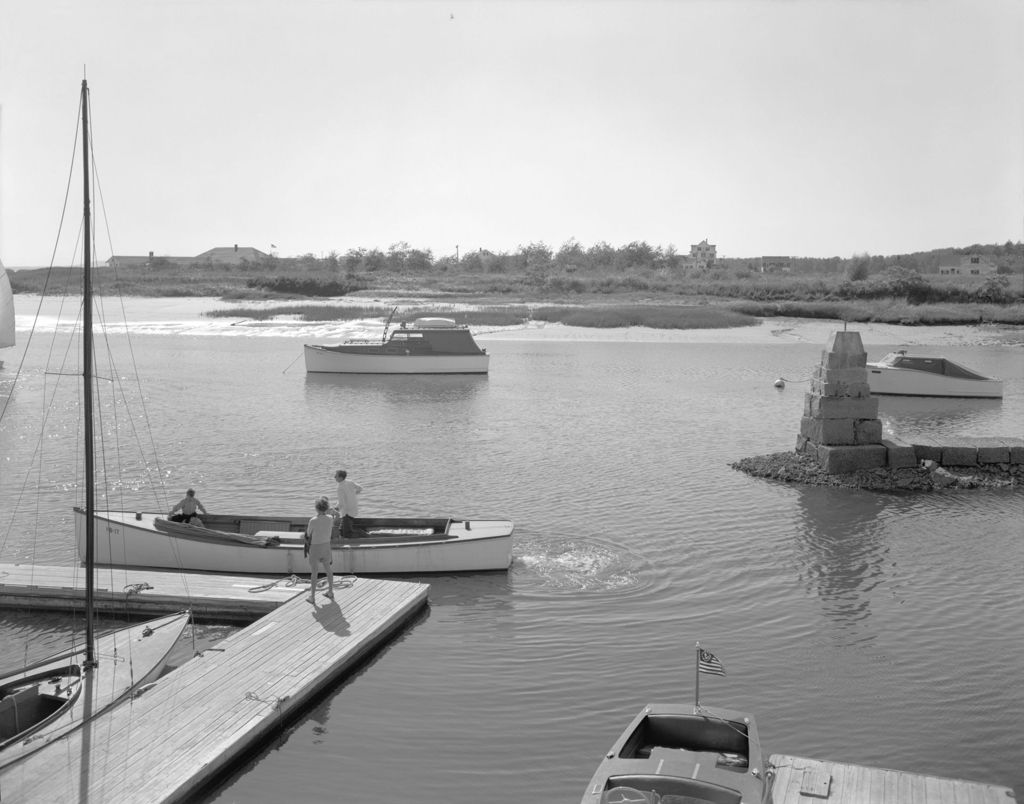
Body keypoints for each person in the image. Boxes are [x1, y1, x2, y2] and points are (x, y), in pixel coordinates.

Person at [305, 496, 335, 603]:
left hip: (315, 548)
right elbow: (332, 515)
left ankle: (312, 597)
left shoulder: (313, 520)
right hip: (326, 546)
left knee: (314, 572)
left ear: (316, 508)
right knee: (328, 569)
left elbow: (308, 534)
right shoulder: (330, 518)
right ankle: (330, 592)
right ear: (326, 507)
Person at [334, 469, 363, 539]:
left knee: (347, 534)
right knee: (341, 530)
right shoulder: (350, 482)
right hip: (354, 509)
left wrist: (335, 510)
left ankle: (362, 535)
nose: (334, 477)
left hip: (346, 512)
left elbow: (341, 503)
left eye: (336, 476)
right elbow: (360, 488)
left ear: (340, 477)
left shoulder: (339, 487)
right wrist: (353, 495)